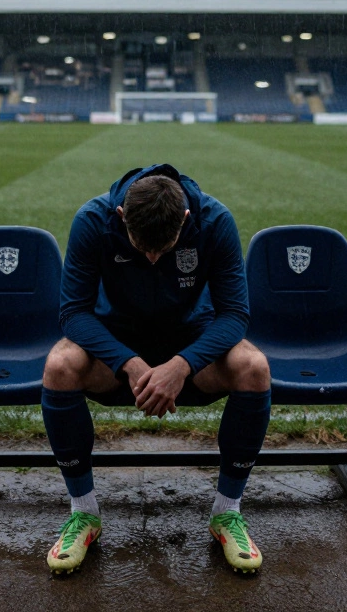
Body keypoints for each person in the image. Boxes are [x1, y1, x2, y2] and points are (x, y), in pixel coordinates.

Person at [42, 163, 271, 575]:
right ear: (121, 217)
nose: (151, 258)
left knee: (253, 366)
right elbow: (73, 312)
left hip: (190, 343)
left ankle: (227, 512)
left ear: (185, 220)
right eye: (141, 246)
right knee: (60, 365)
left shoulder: (215, 220)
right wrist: (128, 363)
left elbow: (235, 314)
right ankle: (84, 513)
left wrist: (182, 365)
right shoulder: (92, 220)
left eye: (162, 250)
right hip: (116, 343)